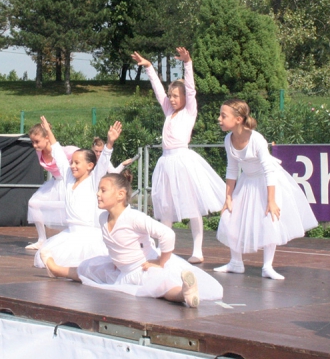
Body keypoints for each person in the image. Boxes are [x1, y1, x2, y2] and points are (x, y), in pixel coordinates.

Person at [40, 173, 223, 308]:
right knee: (88, 268)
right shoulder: (103, 218)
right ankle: (55, 269)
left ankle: (186, 293)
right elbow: (116, 245)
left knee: (162, 285)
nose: (98, 194)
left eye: (103, 190)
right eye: (98, 190)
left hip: (143, 266)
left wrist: (161, 261)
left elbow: (168, 234)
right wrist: (116, 262)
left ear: (120, 195)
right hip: (120, 269)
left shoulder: (134, 217)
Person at [131, 47, 227, 263]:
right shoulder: (168, 111)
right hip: (166, 162)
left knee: (192, 206)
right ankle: (167, 250)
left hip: (183, 160)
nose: (172, 99)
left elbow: (191, 89)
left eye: (176, 96)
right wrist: (148, 67)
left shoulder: (189, 111)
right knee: (165, 208)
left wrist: (187, 63)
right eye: (171, 96)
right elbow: (158, 91)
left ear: (184, 98)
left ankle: (198, 250)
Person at [215, 99, 318, 279]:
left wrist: (271, 200)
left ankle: (267, 267)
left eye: (223, 116)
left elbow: (269, 170)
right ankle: (236, 262)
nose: (219, 119)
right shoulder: (228, 140)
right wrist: (228, 197)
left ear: (238, 119)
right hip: (247, 181)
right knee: (230, 216)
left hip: (267, 181)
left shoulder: (256, 139)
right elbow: (232, 169)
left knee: (269, 219)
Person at [33, 116, 121, 269]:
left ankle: (61, 271)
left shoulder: (94, 180)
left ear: (89, 165)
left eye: (77, 163)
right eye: (72, 162)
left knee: (89, 265)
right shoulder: (68, 177)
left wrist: (110, 143)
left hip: (89, 236)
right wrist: (48, 131)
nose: (72, 165)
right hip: (70, 234)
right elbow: (58, 152)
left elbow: (104, 162)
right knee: (47, 257)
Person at [26, 124, 79, 250]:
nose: (34, 145)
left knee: (70, 211)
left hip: (68, 183)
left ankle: (74, 240)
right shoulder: (39, 152)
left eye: (37, 142)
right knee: (33, 203)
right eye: (32, 142)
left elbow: (85, 157)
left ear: (47, 138)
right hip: (55, 184)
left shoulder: (65, 151)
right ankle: (41, 240)